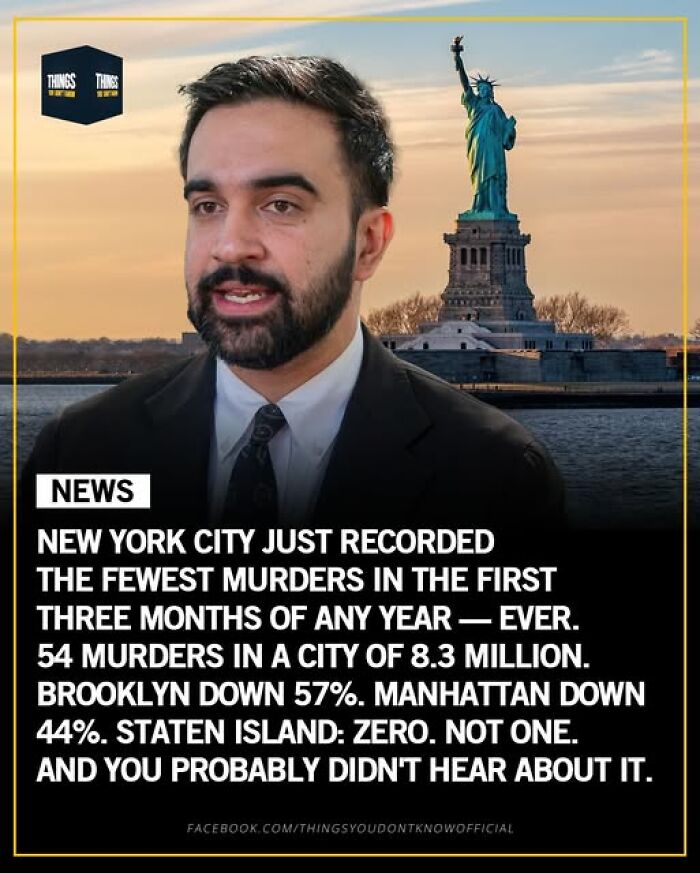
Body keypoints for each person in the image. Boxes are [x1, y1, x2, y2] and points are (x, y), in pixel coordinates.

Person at [21, 55, 564, 529]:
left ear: (368, 244)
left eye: (281, 204)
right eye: (207, 206)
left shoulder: (495, 476)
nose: (231, 247)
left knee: (489, 177)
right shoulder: (78, 454)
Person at [452, 36, 517, 216]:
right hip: (478, 147)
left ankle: (495, 207)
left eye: (487, 89)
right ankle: (479, 206)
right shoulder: (474, 104)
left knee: (495, 176)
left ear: (491, 92)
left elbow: (507, 141)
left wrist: (510, 127)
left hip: (494, 149)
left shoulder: (497, 110)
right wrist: (457, 57)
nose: (484, 91)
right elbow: (465, 83)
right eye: (481, 89)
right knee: (480, 177)